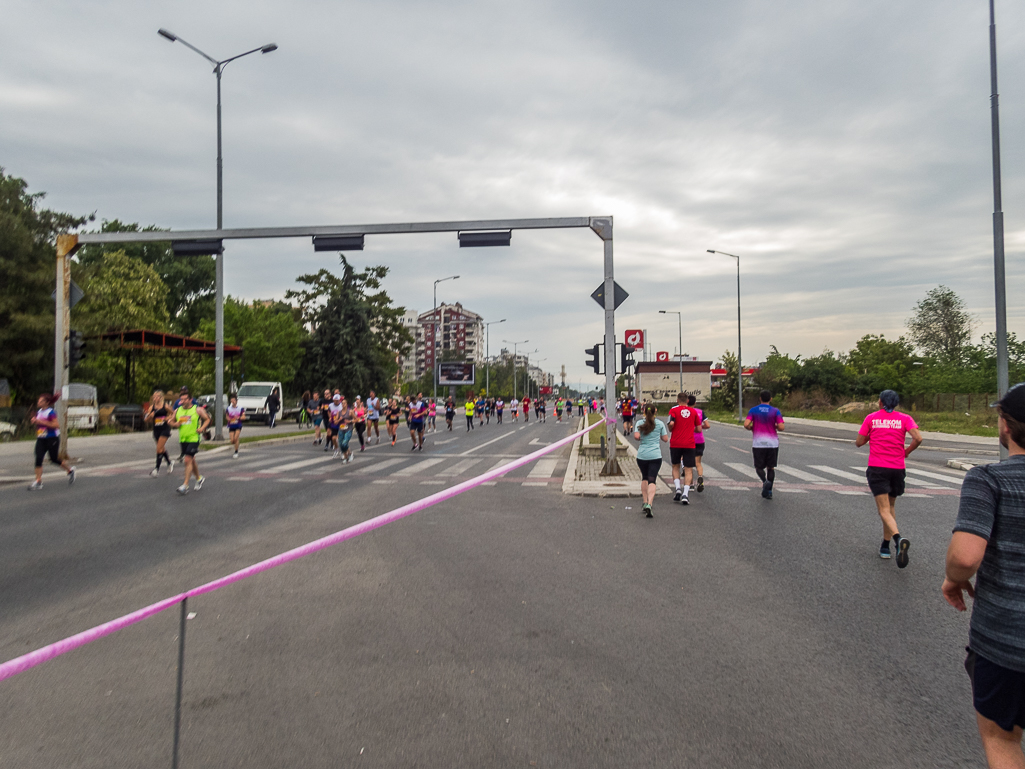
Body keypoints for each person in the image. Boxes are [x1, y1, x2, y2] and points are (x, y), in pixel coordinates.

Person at [942, 383, 1025, 768]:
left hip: (1008, 643)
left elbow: (965, 556)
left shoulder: (989, 479)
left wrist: (953, 579)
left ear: (1005, 426)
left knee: (1002, 739)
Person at [856, 389, 922, 565]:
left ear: (880, 402)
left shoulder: (871, 418)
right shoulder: (905, 419)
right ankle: (885, 546)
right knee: (891, 507)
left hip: (878, 467)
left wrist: (873, 434)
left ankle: (898, 540)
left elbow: (859, 442)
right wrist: (906, 451)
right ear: (897, 404)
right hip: (897, 468)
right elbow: (918, 438)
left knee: (883, 510)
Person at [27, 393, 76, 490]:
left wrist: (40, 422)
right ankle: (38, 482)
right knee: (38, 458)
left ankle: (70, 471)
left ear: (47, 403)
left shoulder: (51, 412)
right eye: (39, 401)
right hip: (41, 438)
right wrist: (34, 420)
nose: (38, 402)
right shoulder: (39, 411)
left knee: (54, 459)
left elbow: (56, 425)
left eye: (41, 401)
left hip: (52, 439)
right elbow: (39, 423)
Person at [744, 390, 785, 500]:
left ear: (760, 398)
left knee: (758, 467)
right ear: (771, 399)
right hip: (772, 443)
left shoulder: (753, 410)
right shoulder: (775, 411)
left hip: (758, 443)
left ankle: (765, 481)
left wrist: (752, 428)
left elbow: (746, 424)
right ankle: (769, 490)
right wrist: (774, 426)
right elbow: (781, 427)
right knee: (770, 468)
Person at [168, 388, 210, 495]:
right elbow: (171, 421)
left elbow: (208, 419)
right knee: (192, 460)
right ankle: (199, 478)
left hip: (194, 438)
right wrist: (174, 424)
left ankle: (185, 485)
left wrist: (202, 429)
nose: (182, 402)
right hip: (183, 439)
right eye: (181, 400)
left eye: (185, 399)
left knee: (187, 460)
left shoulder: (197, 410)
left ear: (190, 399)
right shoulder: (178, 410)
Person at [634, 404, 669, 518]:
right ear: (656, 411)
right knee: (652, 480)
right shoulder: (659, 424)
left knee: (644, 477)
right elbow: (665, 439)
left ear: (643, 411)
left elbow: (636, 437)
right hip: (655, 456)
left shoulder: (639, 423)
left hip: (642, 455)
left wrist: (644, 436)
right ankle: (650, 504)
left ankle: (644, 502)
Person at [667, 392, 702, 505]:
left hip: (676, 443)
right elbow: (699, 429)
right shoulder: (694, 412)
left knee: (675, 466)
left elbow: (670, 425)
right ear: (687, 401)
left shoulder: (673, 411)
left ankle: (677, 488)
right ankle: (685, 494)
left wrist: (672, 427)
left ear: (677, 400)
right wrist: (691, 430)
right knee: (688, 469)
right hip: (689, 444)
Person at [144, 389, 174, 477]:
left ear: (161, 398)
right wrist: (150, 416)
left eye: (156, 397)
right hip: (156, 429)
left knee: (158, 449)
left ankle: (156, 469)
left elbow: (174, 414)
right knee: (161, 448)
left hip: (165, 429)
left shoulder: (166, 406)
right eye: (153, 397)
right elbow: (146, 420)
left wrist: (168, 418)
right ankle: (169, 462)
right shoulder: (151, 408)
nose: (154, 398)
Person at [687, 395, 711, 492]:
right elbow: (707, 425)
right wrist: (699, 428)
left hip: (688, 440)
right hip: (700, 440)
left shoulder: (685, 412)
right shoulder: (700, 412)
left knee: (688, 464)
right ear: (695, 403)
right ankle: (700, 477)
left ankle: (691, 484)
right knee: (698, 463)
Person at [226, 394, 245, 458]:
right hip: (231, 425)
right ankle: (236, 445)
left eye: (234, 400)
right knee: (232, 441)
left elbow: (244, 417)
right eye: (232, 401)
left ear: (236, 401)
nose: (233, 402)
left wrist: (239, 418)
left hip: (238, 425)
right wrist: (229, 419)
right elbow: (227, 416)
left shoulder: (240, 408)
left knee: (236, 438)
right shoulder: (228, 408)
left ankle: (236, 451)